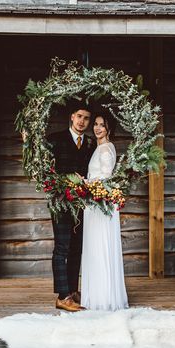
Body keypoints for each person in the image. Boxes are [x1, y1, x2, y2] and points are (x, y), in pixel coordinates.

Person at [47, 104, 96, 312]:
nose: (82, 121)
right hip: (61, 201)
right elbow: (45, 168)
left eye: (86, 118)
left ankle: (73, 291)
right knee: (62, 248)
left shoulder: (90, 144)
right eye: (79, 116)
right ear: (72, 117)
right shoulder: (55, 139)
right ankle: (62, 296)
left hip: (82, 202)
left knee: (77, 248)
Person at [81, 112, 129, 311]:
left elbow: (107, 177)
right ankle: (98, 293)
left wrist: (85, 182)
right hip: (94, 204)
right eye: (96, 124)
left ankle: (103, 297)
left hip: (101, 205)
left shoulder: (106, 149)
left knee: (100, 247)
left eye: (102, 125)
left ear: (109, 128)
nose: (97, 128)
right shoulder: (99, 147)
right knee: (95, 248)